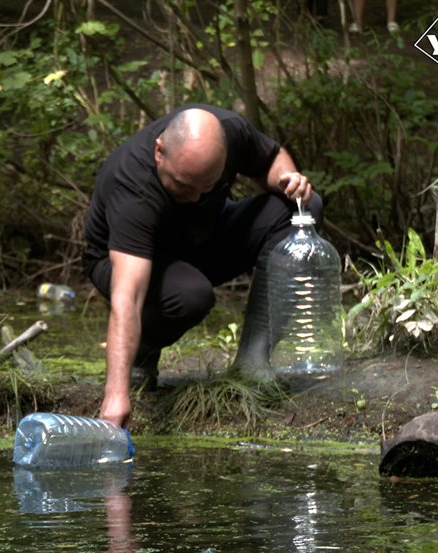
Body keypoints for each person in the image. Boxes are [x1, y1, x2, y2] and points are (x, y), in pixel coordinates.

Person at [83, 104, 323, 428]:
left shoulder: (230, 131)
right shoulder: (133, 188)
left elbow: (271, 158)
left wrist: (289, 179)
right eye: (183, 185)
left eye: (206, 186)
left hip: (200, 237)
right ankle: (142, 351)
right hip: (132, 262)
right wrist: (115, 394)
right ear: (159, 152)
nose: (194, 197)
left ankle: (254, 361)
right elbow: (128, 297)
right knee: (190, 296)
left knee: (301, 209)